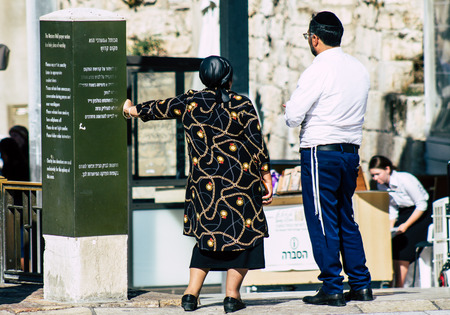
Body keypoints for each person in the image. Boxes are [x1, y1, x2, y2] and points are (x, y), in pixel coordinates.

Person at [123, 55, 273, 313]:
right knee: (245, 238)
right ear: (228, 77)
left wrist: (131, 109)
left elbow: (159, 107)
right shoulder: (242, 104)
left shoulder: (190, 101)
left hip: (206, 188)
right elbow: (256, 145)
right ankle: (231, 296)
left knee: (208, 238)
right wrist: (266, 177)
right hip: (241, 185)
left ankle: (191, 294)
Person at [284, 11, 373, 306]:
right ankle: (360, 284)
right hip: (350, 151)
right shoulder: (359, 68)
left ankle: (332, 286)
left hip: (320, 151)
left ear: (314, 38)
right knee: (345, 216)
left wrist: (290, 107)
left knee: (322, 219)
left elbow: (293, 116)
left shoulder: (317, 69)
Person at [369, 155, 430, 288]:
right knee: (393, 244)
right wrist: (391, 226)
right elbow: (392, 207)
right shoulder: (382, 186)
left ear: (387, 169)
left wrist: (406, 225)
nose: (375, 178)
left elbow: (421, 204)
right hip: (403, 212)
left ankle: (400, 284)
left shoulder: (405, 179)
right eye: (373, 175)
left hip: (420, 213)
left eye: (377, 174)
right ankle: (392, 281)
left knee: (405, 246)